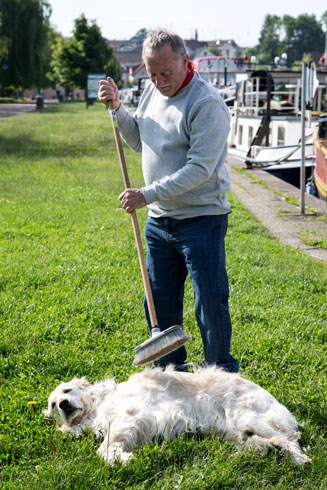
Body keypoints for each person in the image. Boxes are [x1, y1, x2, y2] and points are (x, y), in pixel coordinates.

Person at [98, 29, 238, 373]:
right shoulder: (151, 91)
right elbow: (138, 141)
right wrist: (118, 109)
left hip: (201, 217)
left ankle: (221, 372)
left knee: (209, 300)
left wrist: (146, 195)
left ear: (184, 62)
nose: (159, 82)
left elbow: (200, 170)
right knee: (158, 302)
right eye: (152, 74)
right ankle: (172, 372)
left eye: (165, 73)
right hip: (160, 221)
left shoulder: (206, 103)